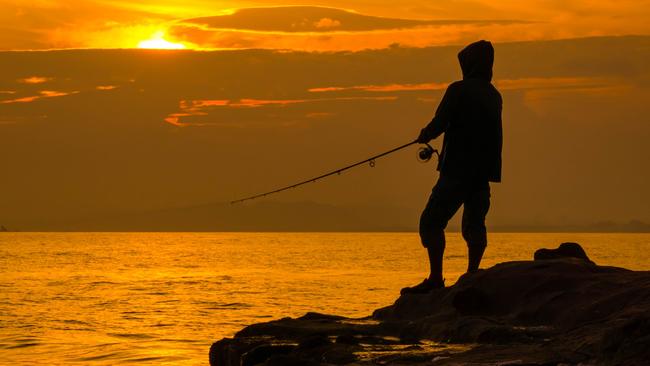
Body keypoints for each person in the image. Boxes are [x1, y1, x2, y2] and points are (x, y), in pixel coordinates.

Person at [401, 40, 503, 295]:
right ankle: (472, 274)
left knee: (431, 222)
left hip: (457, 170)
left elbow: (440, 122)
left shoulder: (458, 90)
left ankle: (436, 279)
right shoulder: (494, 95)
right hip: (482, 173)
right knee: (475, 223)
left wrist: (424, 134)